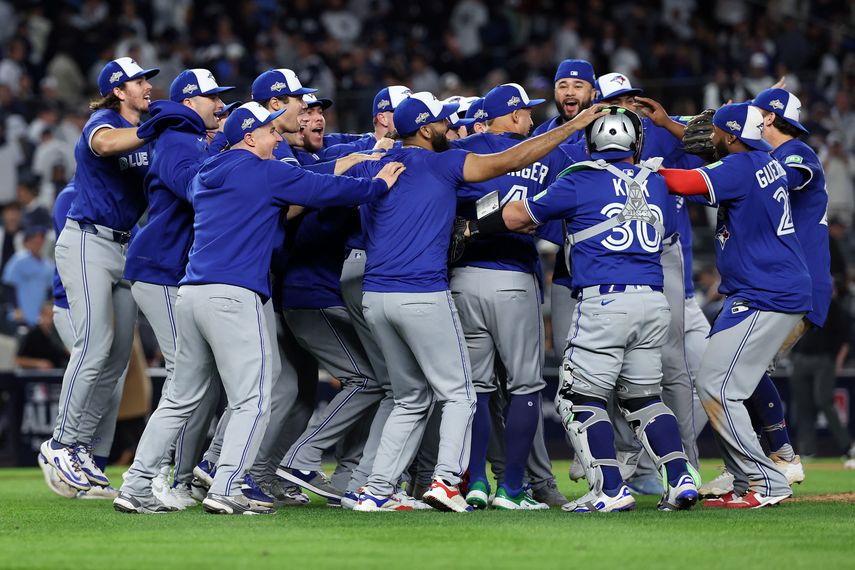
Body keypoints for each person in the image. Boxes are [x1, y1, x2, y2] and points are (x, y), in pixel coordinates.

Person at [115, 102, 405, 515]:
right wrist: (377, 184)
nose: (277, 137)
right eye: (270, 131)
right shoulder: (265, 171)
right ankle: (227, 485)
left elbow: (305, 179)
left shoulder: (207, 172)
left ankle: (136, 484)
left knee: (179, 399)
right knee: (253, 398)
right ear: (250, 137)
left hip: (191, 293)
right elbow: (325, 190)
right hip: (234, 294)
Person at [348, 92, 606, 512]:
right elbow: (511, 162)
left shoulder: (380, 165)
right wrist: (573, 127)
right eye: (442, 124)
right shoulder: (444, 163)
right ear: (425, 129)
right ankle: (448, 483)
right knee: (461, 393)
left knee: (410, 396)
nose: (451, 129)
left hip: (375, 297)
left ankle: (375, 489)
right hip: (421, 292)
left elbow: (331, 180)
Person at [487, 106, 698, 513]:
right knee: (644, 398)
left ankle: (610, 489)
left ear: (590, 142)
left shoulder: (580, 178)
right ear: (635, 143)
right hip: (653, 301)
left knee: (578, 398)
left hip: (605, 300)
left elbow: (518, 215)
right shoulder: (655, 180)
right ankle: (681, 477)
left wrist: (476, 222)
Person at [659, 103, 812, 509]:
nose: (706, 135)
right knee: (717, 381)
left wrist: (634, 171)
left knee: (716, 386)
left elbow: (682, 182)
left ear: (730, 136)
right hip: (761, 289)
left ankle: (767, 482)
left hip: (768, 292)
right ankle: (746, 481)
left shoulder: (741, 167)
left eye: (714, 131)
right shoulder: (762, 160)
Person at [40, 56, 159, 494]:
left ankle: (83, 449)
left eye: (147, 80)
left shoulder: (147, 131)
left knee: (115, 360)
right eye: (139, 81)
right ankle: (60, 443)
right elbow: (106, 145)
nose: (147, 86)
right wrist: (154, 130)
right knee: (93, 344)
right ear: (118, 90)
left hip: (125, 245)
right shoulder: (103, 120)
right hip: (88, 240)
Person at [449, 83, 564, 510]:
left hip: (462, 278)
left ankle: (475, 481)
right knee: (525, 387)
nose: (532, 119)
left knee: (476, 389)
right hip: (513, 279)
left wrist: (475, 218)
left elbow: (448, 201)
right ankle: (512, 489)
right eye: (527, 113)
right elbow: (553, 220)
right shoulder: (542, 153)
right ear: (514, 116)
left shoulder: (466, 149)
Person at [122, 68, 233, 509]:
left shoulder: (189, 135)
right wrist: (227, 147)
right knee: (185, 379)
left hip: (171, 270)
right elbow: (196, 188)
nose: (220, 105)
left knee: (195, 378)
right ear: (190, 102)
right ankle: (150, 478)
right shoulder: (174, 135)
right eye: (212, 99)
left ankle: (170, 475)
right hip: (160, 267)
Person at [2, 226, 53, 327]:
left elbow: (49, 291)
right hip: (19, 316)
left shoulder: (49, 265)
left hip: (39, 318)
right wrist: (16, 308)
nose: (38, 244)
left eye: (40, 241)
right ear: (27, 242)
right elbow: (8, 286)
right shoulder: (18, 260)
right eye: (34, 241)